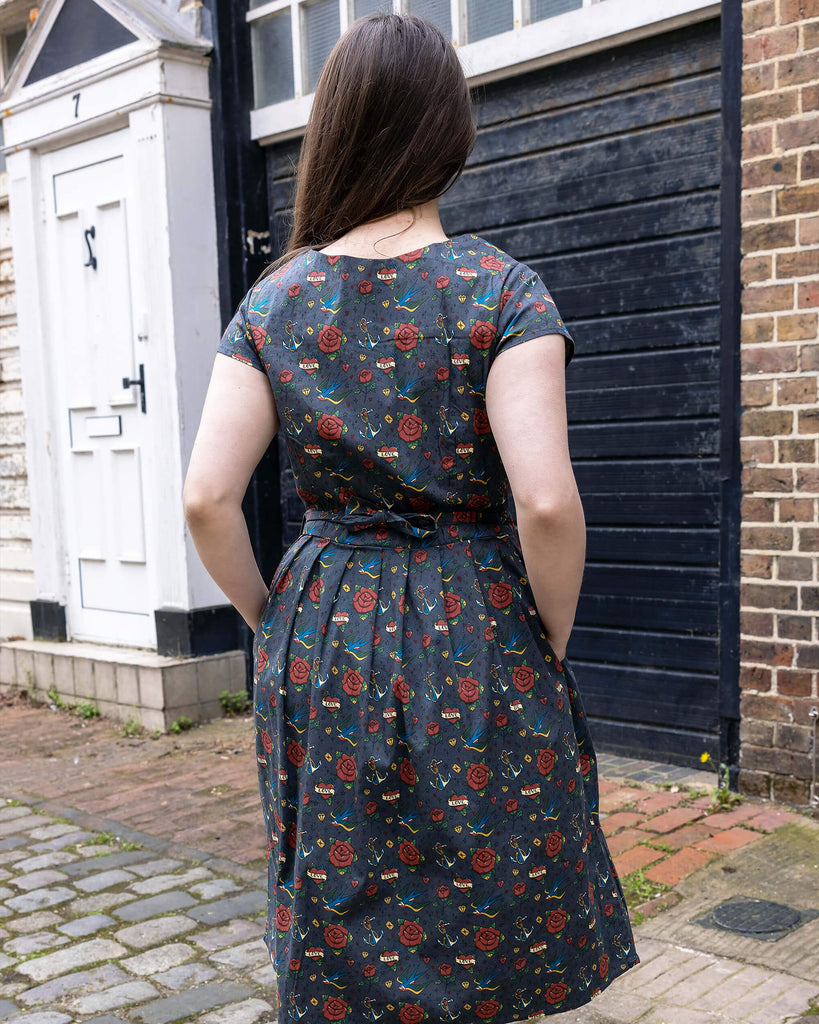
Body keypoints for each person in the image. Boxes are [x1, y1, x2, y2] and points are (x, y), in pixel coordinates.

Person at [183, 12, 638, 1022]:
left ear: (336, 126)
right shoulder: (501, 292)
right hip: (475, 608)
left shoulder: (274, 302)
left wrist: (274, 621)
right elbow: (549, 499)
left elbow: (206, 498)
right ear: (450, 131)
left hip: (322, 612)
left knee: (346, 881)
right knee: (489, 863)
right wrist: (543, 636)